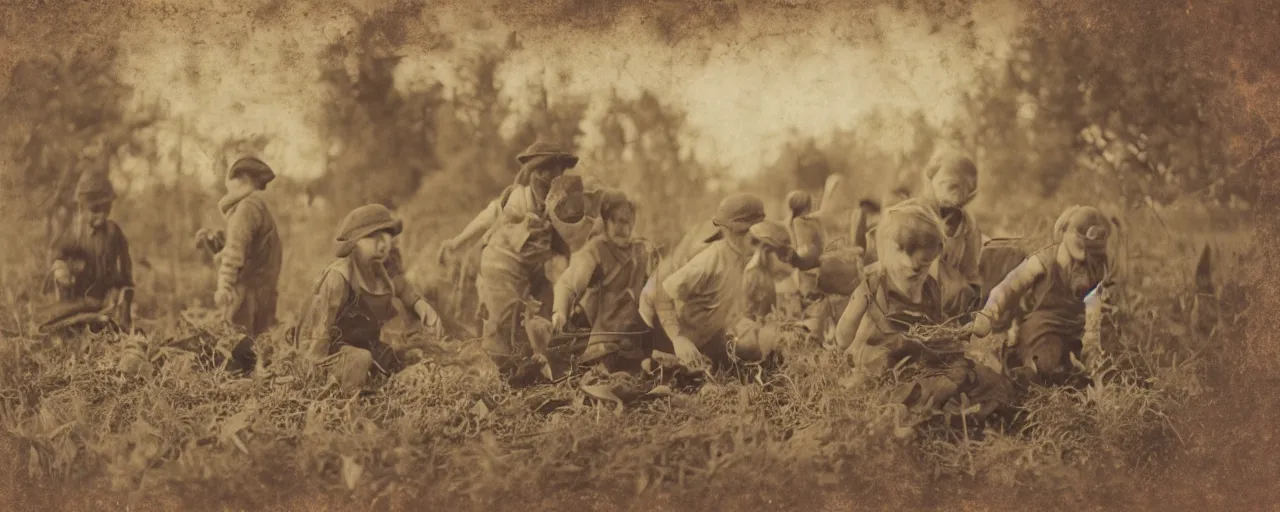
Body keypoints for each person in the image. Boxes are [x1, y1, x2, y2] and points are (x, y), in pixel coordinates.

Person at [835, 203, 1012, 418]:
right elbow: (844, 332)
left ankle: (947, 407)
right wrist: (846, 348)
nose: (915, 271)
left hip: (919, 357)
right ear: (888, 251)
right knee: (887, 387)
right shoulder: (872, 286)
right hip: (883, 360)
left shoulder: (930, 287)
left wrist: (955, 331)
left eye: (925, 265)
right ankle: (924, 408)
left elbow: (936, 323)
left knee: (972, 376)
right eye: (907, 265)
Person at [460, 141, 580, 385]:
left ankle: (550, 359)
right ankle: (503, 370)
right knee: (505, 325)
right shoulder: (518, 197)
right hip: (501, 266)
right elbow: (493, 216)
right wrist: (458, 241)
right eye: (548, 171)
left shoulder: (552, 204)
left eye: (558, 172)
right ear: (536, 173)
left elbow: (563, 245)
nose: (554, 177)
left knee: (548, 307)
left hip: (529, 270)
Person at [297, 204, 443, 391]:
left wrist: (421, 305)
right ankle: (353, 397)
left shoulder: (379, 270)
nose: (383, 245)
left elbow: (401, 286)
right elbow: (317, 333)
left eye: (386, 238)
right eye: (374, 238)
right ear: (355, 241)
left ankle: (380, 384)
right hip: (332, 353)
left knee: (411, 356)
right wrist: (312, 372)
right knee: (361, 360)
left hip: (364, 346)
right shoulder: (339, 278)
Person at [970, 206, 1112, 387]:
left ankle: (1077, 370)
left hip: (1077, 325)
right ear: (1063, 232)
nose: (1083, 262)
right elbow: (1011, 285)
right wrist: (990, 312)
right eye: (1080, 250)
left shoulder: (1097, 268)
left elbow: (1093, 310)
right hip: (1043, 324)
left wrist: (1092, 344)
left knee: (1104, 359)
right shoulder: (1045, 260)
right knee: (1045, 361)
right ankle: (1020, 367)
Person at [644, 193, 767, 370]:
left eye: (757, 234)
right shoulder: (711, 259)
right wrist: (678, 339)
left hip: (710, 338)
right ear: (727, 230)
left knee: (755, 349)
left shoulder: (746, 258)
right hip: (679, 342)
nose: (751, 239)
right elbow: (662, 294)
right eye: (744, 232)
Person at [551, 189, 659, 374]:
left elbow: (660, 294)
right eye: (614, 220)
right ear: (606, 221)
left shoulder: (643, 251)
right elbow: (568, 283)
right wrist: (560, 312)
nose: (620, 227)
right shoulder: (596, 250)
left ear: (633, 221)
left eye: (625, 221)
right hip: (604, 345)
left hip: (637, 344)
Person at [867, 150, 984, 318]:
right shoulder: (908, 213)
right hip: (908, 289)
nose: (956, 193)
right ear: (932, 181)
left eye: (964, 188)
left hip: (948, 300)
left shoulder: (967, 225)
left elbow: (970, 269)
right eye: (950, 185)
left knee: (962, 293)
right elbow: (887, 254)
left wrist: (972, 296)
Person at [209, 157, 283, 371]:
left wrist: (223, 285)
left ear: (240, 180)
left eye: (231, 179)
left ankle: (240, 390)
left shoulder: (246, 209)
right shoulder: (258, 207)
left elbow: (234, 253)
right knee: (259, 342)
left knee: (237, 345)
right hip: (264, 288)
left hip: (248, 291)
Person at [45, 171, 134, 333]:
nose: (101, 215)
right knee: (53, 320)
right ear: (82, 208)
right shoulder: (74, 233)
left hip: (105, 304)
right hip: (74, 304)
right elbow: (56, 253)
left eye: (106, 209)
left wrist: (120, 291)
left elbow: (126, 273)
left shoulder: (114, 233)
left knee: (114, 324)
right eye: (95, 209)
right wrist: (60, 268)